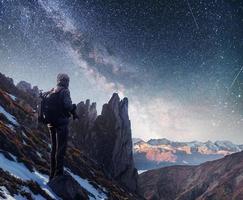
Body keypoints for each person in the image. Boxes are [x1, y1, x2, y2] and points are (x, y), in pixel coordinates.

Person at [46, 73, 78, 181]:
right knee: (61, 149)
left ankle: (51, 175)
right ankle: (58, 174)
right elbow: (67, 105)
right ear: (67, 82)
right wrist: (73, 109)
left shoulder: (53, 90)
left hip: (51, 123)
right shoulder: (65, 91)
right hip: (61, 123)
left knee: (54, 149)